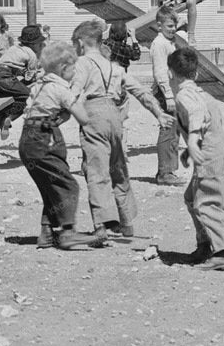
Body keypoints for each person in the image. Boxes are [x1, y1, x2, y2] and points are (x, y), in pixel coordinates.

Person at [67, 19, 169, 238]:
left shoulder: (83, 63)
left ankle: (101, 226)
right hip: (115, 114)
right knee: (118, 168)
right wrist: (159, 113)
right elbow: (141, 91)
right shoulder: (115, 67)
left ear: (81, 42)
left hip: (94, 113)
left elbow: (73, 94)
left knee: (95, 169)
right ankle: (126, 222)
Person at [18, 42, 106, 251]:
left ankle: (47, 232)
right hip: (44, 138)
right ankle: (68, 232)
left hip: (27, 140)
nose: (75, 72)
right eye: (73, 68)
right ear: (63, 68)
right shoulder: (61, 89)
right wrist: (80, 98)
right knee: (68, 185)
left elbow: (43, 111)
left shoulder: (40, 85)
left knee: (51, 186)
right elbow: (83, 118)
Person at [169, 44, 224, 271]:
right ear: (195, 73)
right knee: (191, 197)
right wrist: (189, 149)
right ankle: (205, 244)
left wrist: (193, 140)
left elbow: (197, 115)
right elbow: (210, 122)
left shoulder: (184, 95)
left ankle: (221, 253)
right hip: (217, 150)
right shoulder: (202, 93)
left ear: (170, 74)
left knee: (207, 201)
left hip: (208, 155)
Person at [0, 23, 44, 142]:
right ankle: (9, 118)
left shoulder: (14, 48)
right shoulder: (31, 54)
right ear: (33, 44)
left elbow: (15, 67)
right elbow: (29, 79)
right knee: (29, 97)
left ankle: (2, 120)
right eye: (40, 44)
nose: (41, 46)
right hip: (4, 77)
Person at [148, 5, 184, 185]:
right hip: (164, 93)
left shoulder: (169, 42)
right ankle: (164, 172)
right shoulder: (159, 44)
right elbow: (160, 72)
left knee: (174, 131)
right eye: (169, 26)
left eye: (174, 25)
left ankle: (169, 170)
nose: (173, 29)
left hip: (172, 90)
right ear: (159, 25)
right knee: (167, 130)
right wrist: (168, 95)